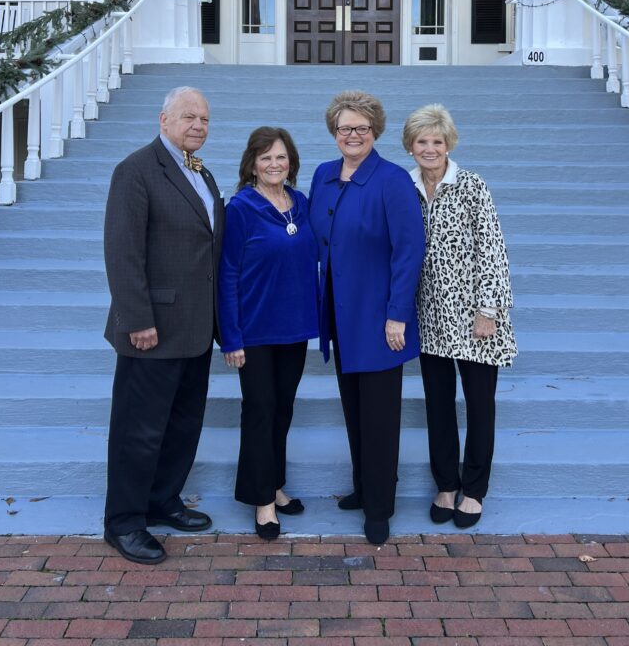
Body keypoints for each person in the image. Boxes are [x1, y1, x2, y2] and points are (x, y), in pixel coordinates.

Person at [102, 86, 225, 565]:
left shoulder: (201, 173)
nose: (198, 125)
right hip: (150, 328)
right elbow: (122, 250)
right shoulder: (136, 170)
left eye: (205, 119)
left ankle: (162, 500)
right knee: (139, 430)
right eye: (189, 117)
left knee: (182, 424)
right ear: (164, 119)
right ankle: (124, 522)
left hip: (195, 328)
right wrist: (137, 319)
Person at [309, 90, 426, 546]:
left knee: (379, 415)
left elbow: (409, 251)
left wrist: (397, 315)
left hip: (379, 320)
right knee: (354, 409)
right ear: (334, 133)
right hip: (339, 313)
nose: (352, 135)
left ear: (375, 131)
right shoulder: (322, 175)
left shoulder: (393, 180)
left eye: (361, 128)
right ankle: (364, 487)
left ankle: (380, 507)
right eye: (344, 128)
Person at [403, 103, 517, 529]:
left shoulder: (472, 185)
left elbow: (493, 250)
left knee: (479, 405)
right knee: (437, 405)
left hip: (475, 316)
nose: (429, 149)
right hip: (430, 315)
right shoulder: (405, 187)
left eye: (437, 141)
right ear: (410, 146)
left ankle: (474, 489)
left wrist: (488, 311)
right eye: (421, 141)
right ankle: (446, 485)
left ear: (448, 144)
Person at [219, 126, 319, 540]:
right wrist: (231, 336)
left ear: (291, 162)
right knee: (260, 411)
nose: (274, 164)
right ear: (252, 165)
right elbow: (227, 273)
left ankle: (274, 485)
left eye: (281, 157)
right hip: (255, 331)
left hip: (294, 328)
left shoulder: (301, 203)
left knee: (282, 409)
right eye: (266, 158)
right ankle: (261, 502)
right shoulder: (240, 208)